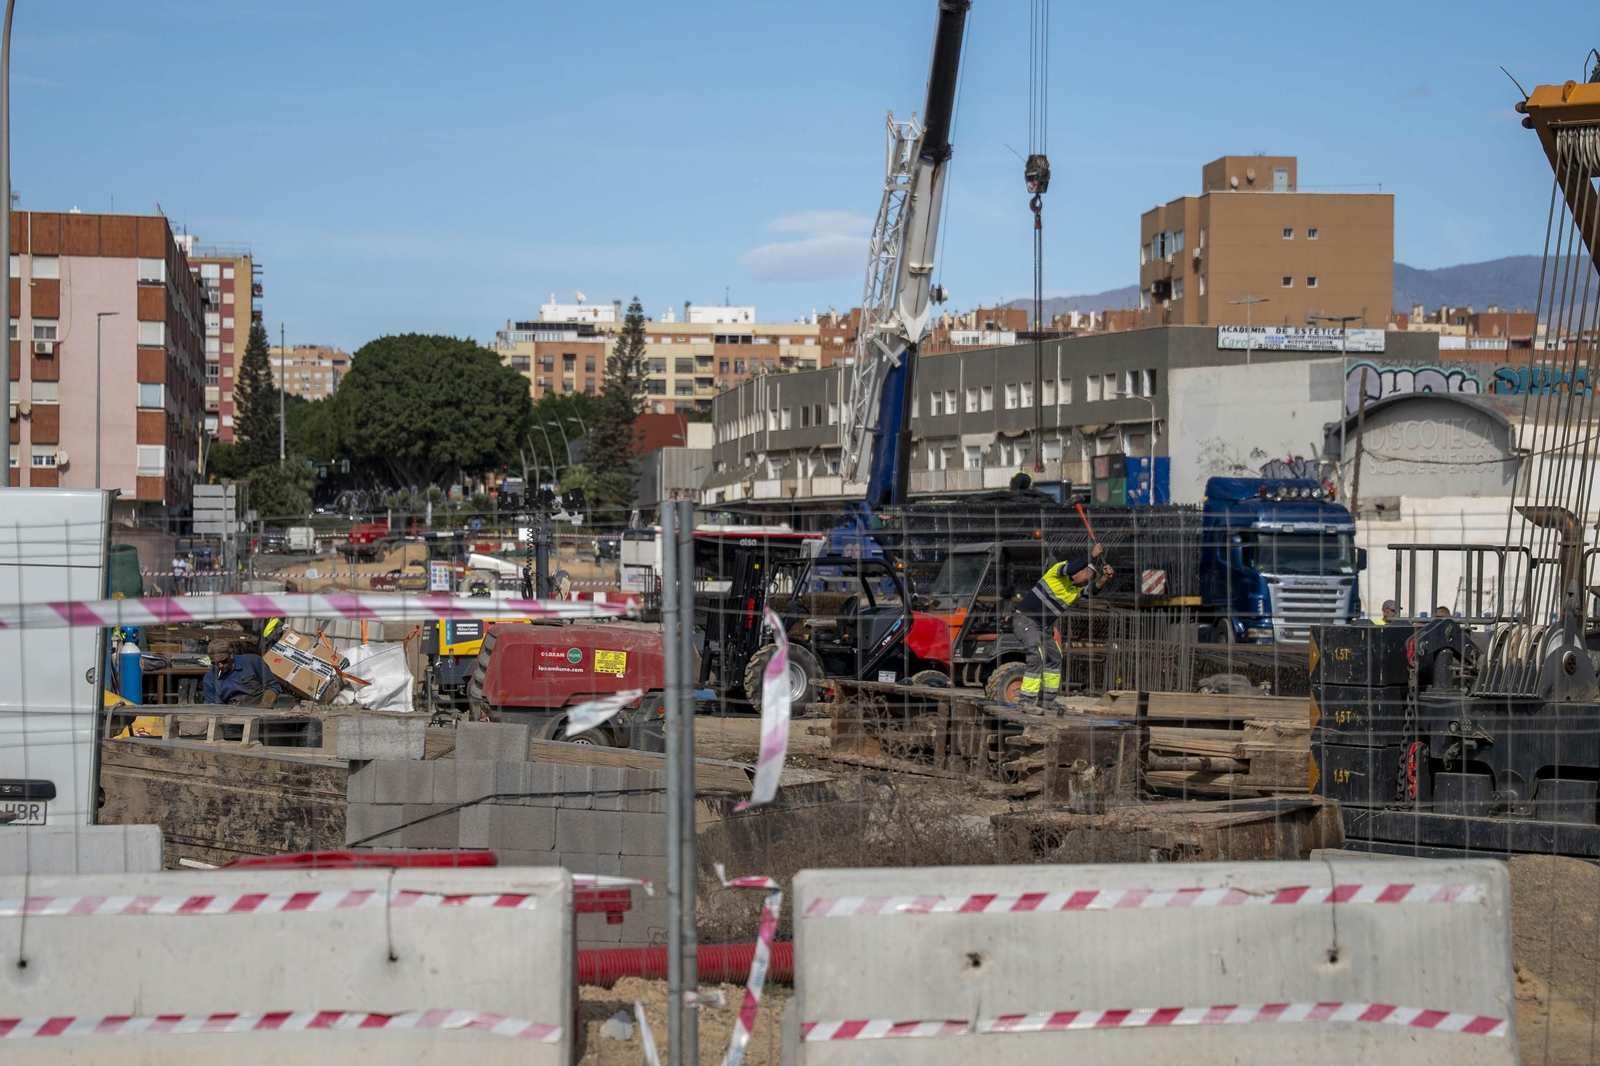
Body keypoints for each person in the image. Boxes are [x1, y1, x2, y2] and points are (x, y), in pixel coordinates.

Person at [1012, 542, 1114, 707]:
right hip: (1025, 620)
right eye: (1088, 575)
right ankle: (1026, 701)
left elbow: (1091, 591)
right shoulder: (1057, 572)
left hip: (1042, 628)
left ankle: (1047, 700)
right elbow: (1071, 567)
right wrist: (1092, 555)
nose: (1087, 580)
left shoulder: (1072, 591)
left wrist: (1104, 578)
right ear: (1081, 571)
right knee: (1036, 656)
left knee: (1054, 657)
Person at [203, 639, 283, 706]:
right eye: (215, 663)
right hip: (231, 716)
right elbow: (216, 708)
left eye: (224, 661)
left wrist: (264, 708)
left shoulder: (253, 662)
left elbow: (273, 686)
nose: (220, 666)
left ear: (231, 654)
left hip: (261, 709)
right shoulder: (209, 679)